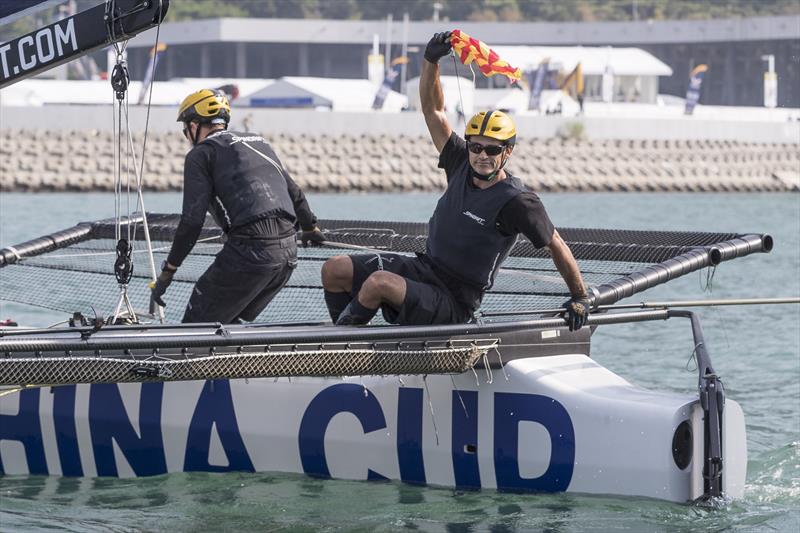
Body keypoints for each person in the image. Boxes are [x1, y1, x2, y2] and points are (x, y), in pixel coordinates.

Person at [321, 32, 591, 331]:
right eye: (476, 147)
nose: (482, 156)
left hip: (453, 301)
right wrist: (430, 61)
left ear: (508, 151)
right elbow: (433, 111)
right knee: (335, 269)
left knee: (378, 283)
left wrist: (580, 296)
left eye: (492, 149)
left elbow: (556, 244)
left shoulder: (517, 201)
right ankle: (347, 334)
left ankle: (342, 346)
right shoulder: (461, 162)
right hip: (423, 270)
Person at [151, 89, 324, 323]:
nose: (186, 136)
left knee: (196, 326)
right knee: (230, 324)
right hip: (287, 254)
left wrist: (168, 271)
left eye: (185, 130)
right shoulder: (258, 142)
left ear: (194, 125)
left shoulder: (201, 154)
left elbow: (192, 222)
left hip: (251, 252)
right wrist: (310, 228)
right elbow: (295, 193)